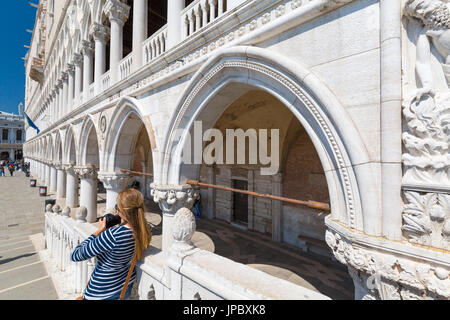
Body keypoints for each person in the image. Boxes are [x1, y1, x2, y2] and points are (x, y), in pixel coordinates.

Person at [71, 188, 152, 300]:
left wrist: (99, 231)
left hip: (99, 293)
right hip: (121, 290)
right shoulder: (146, 231)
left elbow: (76, 255)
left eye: (117, 207)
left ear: (121, 211)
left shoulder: (112, 235)